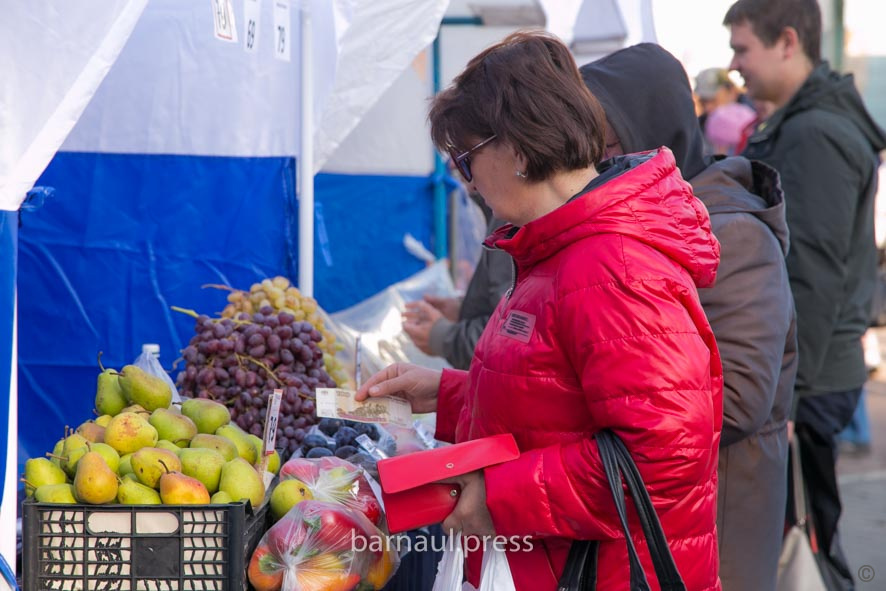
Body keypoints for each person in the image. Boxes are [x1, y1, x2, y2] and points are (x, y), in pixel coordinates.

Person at [358, 30, 722, 591]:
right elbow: (553, 401)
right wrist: (452, 392)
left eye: (467, 157)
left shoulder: (612, 268)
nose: (467, 178)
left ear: (520, 150)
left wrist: (499, 496)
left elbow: (664, 455)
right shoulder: (558, 250)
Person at [580, 43, 797, 591]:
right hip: (669, 512)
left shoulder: (734, 233)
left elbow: (743, 396)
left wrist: (592, 408)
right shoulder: (653, 223)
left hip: (722, 512)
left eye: (605, 140)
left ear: (647, 129)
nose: (594, 157)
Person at [724, 1, 886, 588]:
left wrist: (784, 397)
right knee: (803, 540)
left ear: (787, 41)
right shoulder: (803, 122)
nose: (735, 64)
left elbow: (811, 276)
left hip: (806, 381)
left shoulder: (815, 133)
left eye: (743, 48)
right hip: (808, 374)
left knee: (808, 553)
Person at [402, 207, 511, 370]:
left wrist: (443, 336)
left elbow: (513, 340)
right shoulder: (509, 213)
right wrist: (464, 311)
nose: (471, 185)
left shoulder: (517, 219)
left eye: (470, 178)